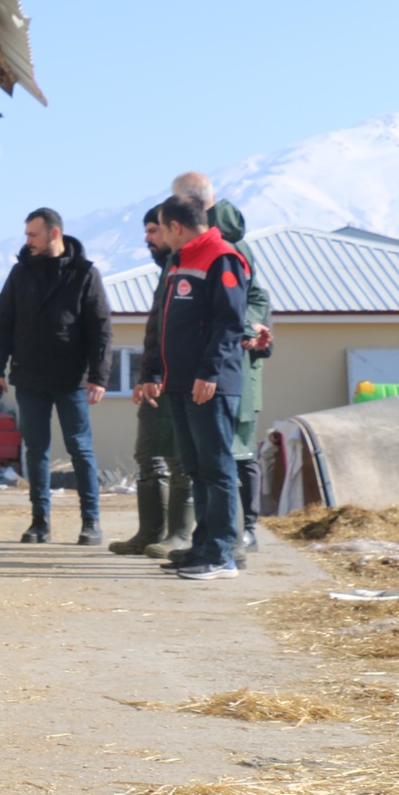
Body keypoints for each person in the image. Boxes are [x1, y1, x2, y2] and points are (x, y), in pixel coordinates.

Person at [136, 196, 250, 580]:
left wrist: (210, 371)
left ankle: (221, 555)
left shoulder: (221, 257)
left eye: (162, 227)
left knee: (216, 470)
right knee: (196, 468)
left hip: (209, 385)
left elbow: (231, 321)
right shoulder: (181, 260)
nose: (160, 234)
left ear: (176, 227)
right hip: (179, 384)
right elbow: (166, 323)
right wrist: (152, 372)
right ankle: (202, 547)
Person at [0, 207, 112, 545]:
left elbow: (101, 331)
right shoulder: (20, 273)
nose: (27, 241)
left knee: (80, 449)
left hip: (71, 380)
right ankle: (39, 522)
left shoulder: (85, 274)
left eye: (33, 235)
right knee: (36, 450)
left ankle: (91, 522)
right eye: (27, 235)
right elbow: (2, 325)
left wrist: (98, 377)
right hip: (29, 379)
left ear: (54, 234)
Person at [111, 207, 193, 556]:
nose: (147, 239)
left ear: (174, 229)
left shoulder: (191, 267)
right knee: (148, 454)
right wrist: (147, 374)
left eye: (153, 231)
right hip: (156, 377)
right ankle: (149, 531)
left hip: (182, 379)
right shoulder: (166, 273)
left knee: (178, 457)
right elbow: (155, 330)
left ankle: (179, 534)